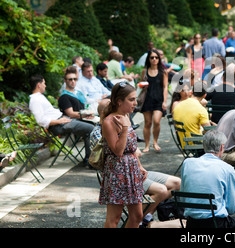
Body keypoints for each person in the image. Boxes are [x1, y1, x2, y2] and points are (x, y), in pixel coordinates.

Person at [99, 82, 145, 228]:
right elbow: (118, 151)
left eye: (135, 99)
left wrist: (139, 166)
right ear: (119, 101)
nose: (135, 103)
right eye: (131, 100)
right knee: (114, 218)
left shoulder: (125, 116)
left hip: (132, 169)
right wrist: (125, 127)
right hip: (117, 171)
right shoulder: (109, 121)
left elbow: (132, 148)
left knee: (137, 216)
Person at [29, 74, 94, 167]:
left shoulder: (39, 97)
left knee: (90, 126)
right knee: (91, 128)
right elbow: (40, 120)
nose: (45, 85)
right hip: (58, 126)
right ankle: (90, 160)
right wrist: (59, 121)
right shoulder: (35, 100)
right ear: (39, 85)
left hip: (62, 121)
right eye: (44, 83)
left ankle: (89, 159)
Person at [140, 49, 168, 152]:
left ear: (159, 59)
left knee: (156, 121)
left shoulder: (163, 71)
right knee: (147, 123)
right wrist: (143, 85)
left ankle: (155, 142)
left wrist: (165, 101)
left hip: (159, 100)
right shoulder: (145, 70)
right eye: (152, 57)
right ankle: (147, 145)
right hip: (147, 99)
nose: (154, 59)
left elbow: (165, 87)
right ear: (149, 59)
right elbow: (141, 84)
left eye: (156, 57)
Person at [172, 82, 211, 148]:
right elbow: (209, 131)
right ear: (204, 95)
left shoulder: (178, 105)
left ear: (192, 92)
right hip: (197, 144)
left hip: (183, 143)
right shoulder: (201, 110)